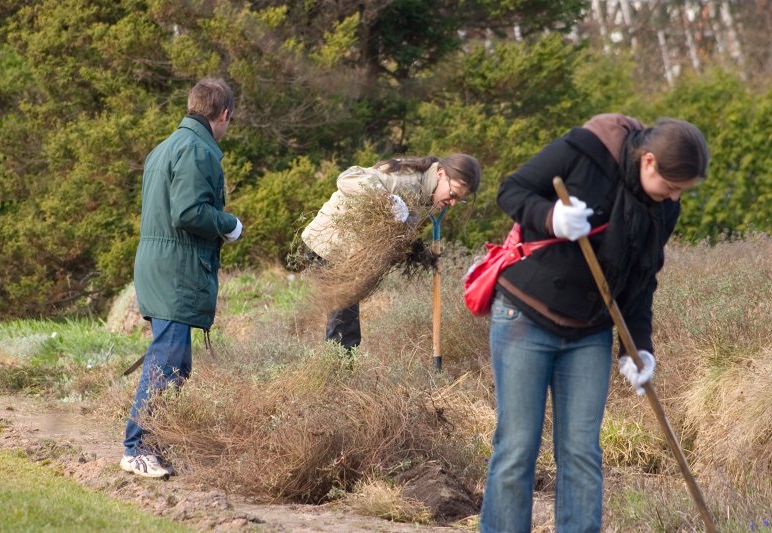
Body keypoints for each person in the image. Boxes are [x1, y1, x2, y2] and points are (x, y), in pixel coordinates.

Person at [479, 114, 709, 532]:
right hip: (525, 316)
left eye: (681, 191)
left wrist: (637, 347)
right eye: (671, 186)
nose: (673, 197)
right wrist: (551, 218)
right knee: (517, 448)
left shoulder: (664, 209)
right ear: (650, 161)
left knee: (582, 452)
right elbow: (511, 190)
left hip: (590, 331)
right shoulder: (585, 151)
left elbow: (642, 279)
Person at [120, 78, 243, 479]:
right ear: (223, 114)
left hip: (159, 264)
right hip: (175, 271)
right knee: (167, 359)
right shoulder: (196, 150)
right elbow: (188, 212)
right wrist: (229, 223)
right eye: (229, 119)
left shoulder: (165, 147)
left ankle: (154, 446)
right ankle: (136, 448)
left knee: (176, 362)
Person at [301, 153, 481, 351]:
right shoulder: (407, 182)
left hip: (346, 253)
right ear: (440, 173)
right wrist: (387, 199)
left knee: (345, 322)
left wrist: (417, 252)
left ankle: (337, 371)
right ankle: (335, 376)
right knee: (345, 327)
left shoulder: (424, 193)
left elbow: (397, 229)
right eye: (453, 194)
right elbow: (349, 177)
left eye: (460, 200)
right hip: (327, 246)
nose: (453, 202)